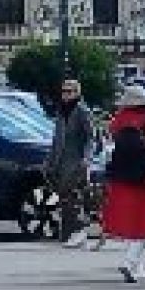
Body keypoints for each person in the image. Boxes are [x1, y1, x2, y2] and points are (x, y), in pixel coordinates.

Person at [101, 86, 145, 283]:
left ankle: (135, 264)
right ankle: (130, 261)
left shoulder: (117, 121)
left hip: (122, 175)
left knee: (129, 219)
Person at [45, 78, 96, 247]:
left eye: (69, 91)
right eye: (64, 91)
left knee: (72, 196)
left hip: (76, 161)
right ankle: (67, 233)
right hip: (60, 161)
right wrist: (49, 161)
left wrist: (87, 158)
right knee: (64, 198)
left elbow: (91, 137)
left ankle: (77, 231)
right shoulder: (62, 111)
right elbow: (56, 139)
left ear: (77, 93)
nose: (65, 95)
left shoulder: (82, 111)